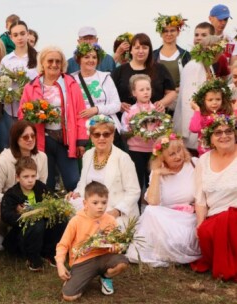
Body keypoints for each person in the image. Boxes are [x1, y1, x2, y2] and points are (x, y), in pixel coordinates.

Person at [18, 46, 88, 192]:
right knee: (45, 183)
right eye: (50, 61)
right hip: (43, 139)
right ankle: (48, 212)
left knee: (73, 181)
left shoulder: (71, 84)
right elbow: (22, 115)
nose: (54, 64)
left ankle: (74, 211)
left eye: (58, 61)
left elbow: (80, 114)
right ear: (42, 63)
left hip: (66, 139)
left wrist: (81, 141)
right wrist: (33, 118)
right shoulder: (31, 87)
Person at [126, 133, 200, 267]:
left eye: (179, 151)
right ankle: (163, 253)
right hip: (164, 220)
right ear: (162, 158)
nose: (178, 156)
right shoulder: (157, 172)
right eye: (172, 154)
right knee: (150, 211)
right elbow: (153, 202)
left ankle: (171, 252)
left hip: (188, 219)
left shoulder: (194, 163)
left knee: (151, 215)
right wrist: (157, 174)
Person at [56, 181, 129, 301]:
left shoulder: (110, 220)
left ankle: (105, 276)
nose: (100, 206)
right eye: (95, 203)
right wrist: (59, 264)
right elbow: (63, 244)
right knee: (69, 296)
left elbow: (118, 242)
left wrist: (116, 247)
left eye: (104, 202)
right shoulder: (76, 221)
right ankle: (82, 278)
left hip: (104, 257)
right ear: (85, 203)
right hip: (82, 260)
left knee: (122, 263)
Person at [67, 115, 140, 227]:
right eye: (96, 134)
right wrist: (76, 193)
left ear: (113, 136)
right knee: (68, 210)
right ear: (91, 137)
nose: (101, 138)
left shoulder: (123, 158)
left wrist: (116, 211)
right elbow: (82, 184)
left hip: (116, 210)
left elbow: (134, 191)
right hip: (92, 207)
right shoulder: (88, 155)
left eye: (106, 134)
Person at [0, 120, 47, 252]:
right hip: (5, 199)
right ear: (16, 139)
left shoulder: (42, 157)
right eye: (25, 137)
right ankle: (0, 231)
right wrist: (14, 204)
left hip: (31, 199)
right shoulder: (3, 161)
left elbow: (42, 186)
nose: (30, 139)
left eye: (33, 136)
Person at [190, 114, 237, 281]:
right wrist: (200, 223)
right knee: (204, 231)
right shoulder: (203, 160)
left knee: (228, 220)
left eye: (228, 131)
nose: (224, 136)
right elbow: (200, 198)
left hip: (235, 214)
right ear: (210, 138)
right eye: (218, 132)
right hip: (214, 216)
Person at [1, 157, 62, 271]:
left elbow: (53, 199)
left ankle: (49, 252)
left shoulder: (40, 187)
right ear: (18, 177)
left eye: (33, 176)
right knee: (36, 222)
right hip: (23, 234)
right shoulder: (12, 194)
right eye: (26, 177)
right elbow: (5, 215)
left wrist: (47, 208)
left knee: (59, 218)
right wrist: (22, 214)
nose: (30, 180)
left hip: (44, 231)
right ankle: (33, 258)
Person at [174, 35, 226, 152]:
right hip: (193, 122)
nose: (221, 54)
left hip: (203, 120)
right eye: (220, 51)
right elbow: (189, 99)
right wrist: (188, 129)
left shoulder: (208, 65)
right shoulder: (194, 66)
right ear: (213, 50)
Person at [0, 20, 38, 152]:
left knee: (32, 145)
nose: (19, 38)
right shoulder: (6, 60)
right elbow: (1, 84)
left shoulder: (38, 57)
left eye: (22, 33)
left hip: (33, 111)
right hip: (12, 111)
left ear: (27, 34)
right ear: (11, 37)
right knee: (15, 145)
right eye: (15, 35)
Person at [111, 33, 176, 115]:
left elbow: (171, 92)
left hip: (155, 119)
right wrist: (119, 105)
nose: (141, 51)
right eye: (137, 48)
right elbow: (109, 95)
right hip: (126, 120)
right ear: (131, 50)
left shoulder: (160, 68)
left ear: (149, 50)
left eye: (145, 48)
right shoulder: (119, 71)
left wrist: (162, 103)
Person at [70, 43, 122, 146]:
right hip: (84, 132)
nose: (91, 60)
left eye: (94, 57)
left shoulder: (106, 77)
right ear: (79, 59)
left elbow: (117, 105)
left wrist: (96, 110)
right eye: (86, 57)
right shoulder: (71, 80)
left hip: (107, 129)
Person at [121, 74, 160, 208]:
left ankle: (152, 210)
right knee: (136, 181)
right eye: (141, 90)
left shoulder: (157, 110)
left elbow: (162, 127)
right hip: (135, 151)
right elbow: (123, 129)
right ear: (134, 93)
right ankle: (135, 212)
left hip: (153, 151)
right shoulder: (129, 111)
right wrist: (131, 129)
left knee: (152, 181)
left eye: (148, 89)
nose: (145, 92)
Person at [189, 78, 235, 156]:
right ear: (203, 101)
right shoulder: (201, 116)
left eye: (218, 99)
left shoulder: (225, 115)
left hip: (223, 152)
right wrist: (197, 110)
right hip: (206, 153)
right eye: (210, 100)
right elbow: (194, 129)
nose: (214, 103)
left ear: (222, 100)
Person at [152, 14, 191, 93]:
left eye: (172, 30)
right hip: (158, 99)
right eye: (165, 31)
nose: (169, 34)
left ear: (178, 32)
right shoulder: (153, 55)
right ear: (160, 33)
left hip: (180, 97)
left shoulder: (186, 55)